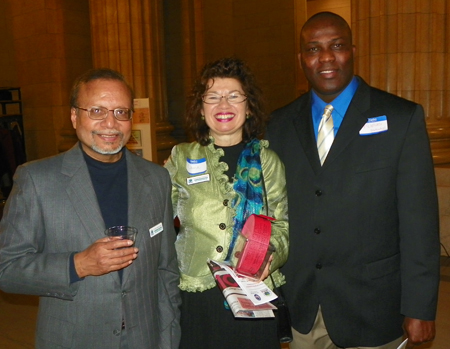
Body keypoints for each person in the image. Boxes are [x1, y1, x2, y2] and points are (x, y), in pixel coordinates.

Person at [266, 12, 440, 349]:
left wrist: (420, 306)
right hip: (304, 306)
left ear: (353, 50)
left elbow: (420, 223)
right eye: (314, 49)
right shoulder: (279, 125)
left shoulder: (401, 119)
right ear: (301, 59)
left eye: (337, 46)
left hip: (373, 307)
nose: (327, 57)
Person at [0, 68, 181, 348]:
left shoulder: (156, 178)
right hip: (75, 339)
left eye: (121, 112)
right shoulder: (37, 180)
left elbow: (166, 269)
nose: (111, 123)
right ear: (74, 116)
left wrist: (168, 336)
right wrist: (78, 265)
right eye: (97, 111)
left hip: (145, 338)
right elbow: (7, 269)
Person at [164, 57, 289, 349]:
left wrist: (269, 258)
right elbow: (159, 218)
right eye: (213, 97)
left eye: (234, 96)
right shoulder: (182, 157)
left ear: (248, 106)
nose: (224, 105)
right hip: (197, 295)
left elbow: (282, 224)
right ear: (201, 107)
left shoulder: (268, 161)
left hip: (253, 293)